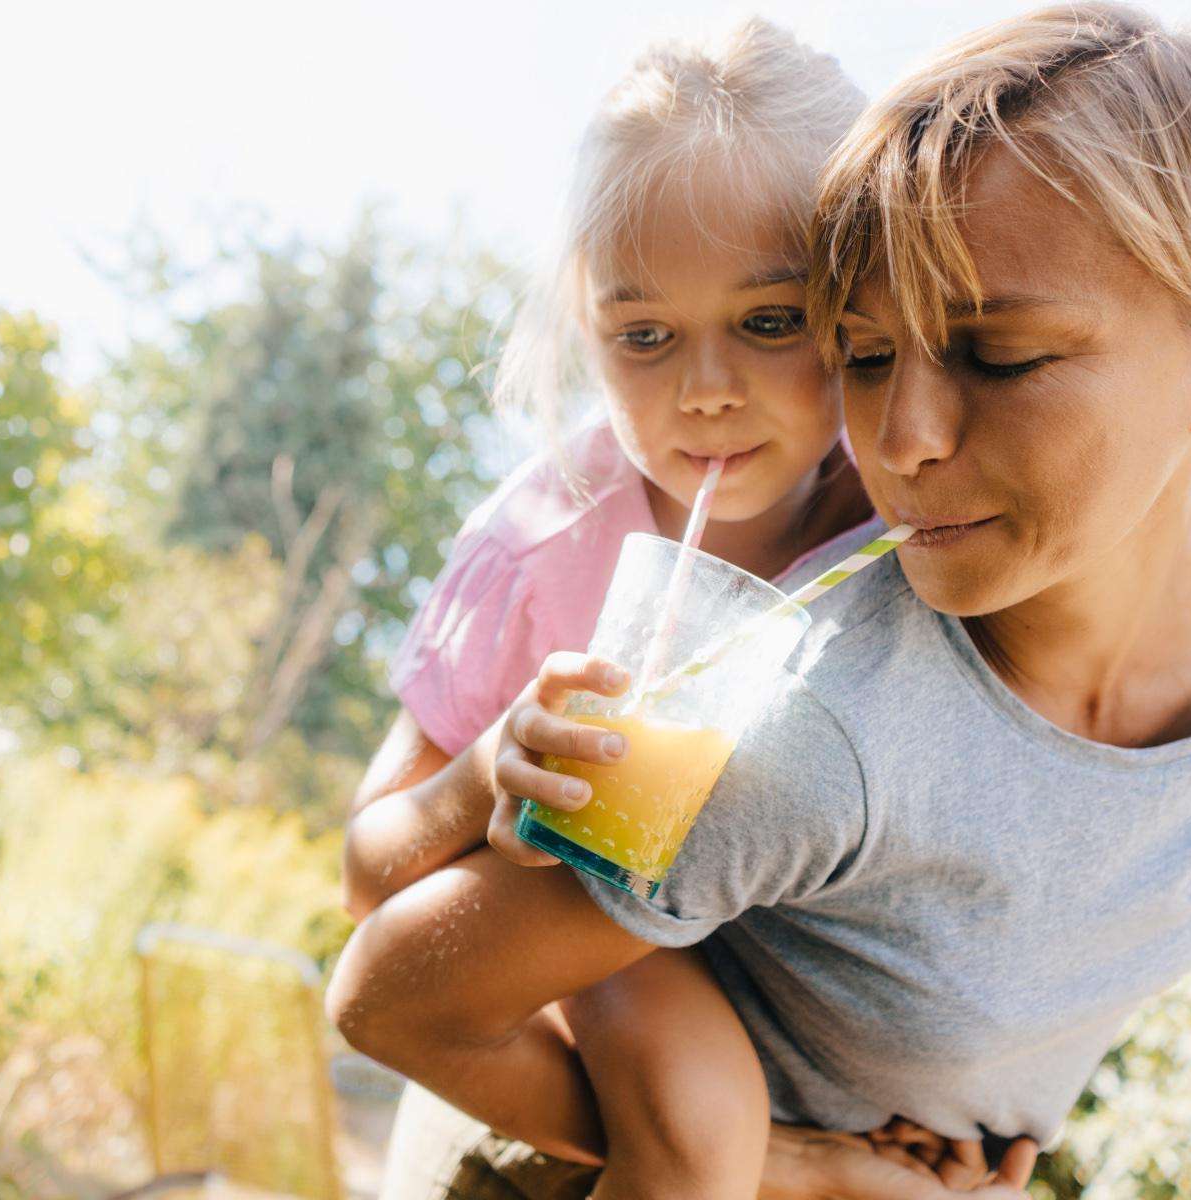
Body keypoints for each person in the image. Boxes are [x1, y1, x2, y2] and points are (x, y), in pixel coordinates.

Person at [328, 5, 1191, 1199]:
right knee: (694, 1109)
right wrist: (788, 1164)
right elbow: (383, 929)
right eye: (870, 356)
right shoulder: (732, 663)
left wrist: (998, 1069)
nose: (904, 441)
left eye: (776, 325)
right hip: (587, 1012)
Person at [339, 17, 982, 1200]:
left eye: (772, 322)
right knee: (692, 1106)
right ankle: (777, 1166)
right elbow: (367, 872)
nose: (705, 393)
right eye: (644, 337)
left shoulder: (906, 527)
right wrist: (487, 775)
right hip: (572, 984)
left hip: (808, 1013)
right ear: (584, 328)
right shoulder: (547, 539)